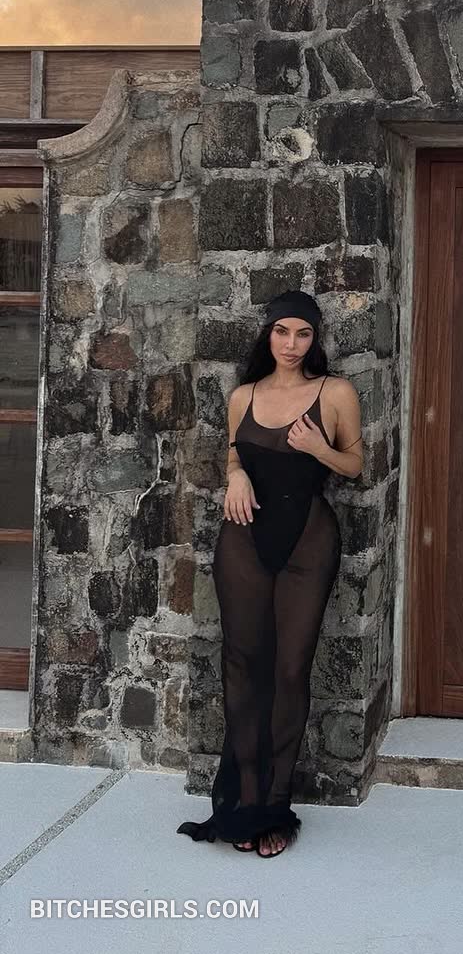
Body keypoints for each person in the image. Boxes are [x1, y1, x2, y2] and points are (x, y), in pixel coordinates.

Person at [177, 289, 364, 857]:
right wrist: (235, 474)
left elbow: (356, 465)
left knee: (289, 669)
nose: (291, 344)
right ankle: (249, 804)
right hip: (244, 538)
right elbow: (237, 452)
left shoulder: (334, 393)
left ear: (315, 338)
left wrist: (318, 448)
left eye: (303, 334)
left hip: (309, 539)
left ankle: (277, 807)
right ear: (268, 334)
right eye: (282, 332)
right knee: (242, 664)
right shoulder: (244, 395)